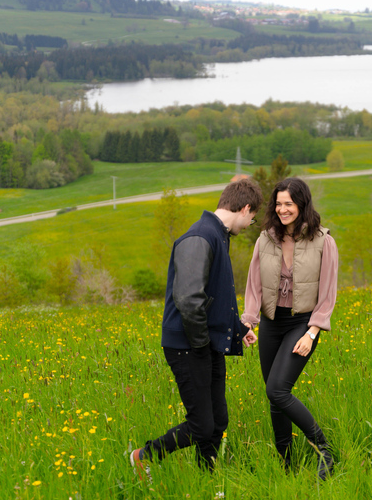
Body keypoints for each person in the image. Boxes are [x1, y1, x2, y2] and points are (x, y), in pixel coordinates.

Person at [130, 178, 264, 478]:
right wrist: (203, 345)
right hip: (188, 346)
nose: (250, 223)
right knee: (201, 423)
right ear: (244, 209)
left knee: (218, 420)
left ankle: (208, 476)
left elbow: (215, 295)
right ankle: (143, 456)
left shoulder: (218, 236)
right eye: (253, 218)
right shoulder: (200, 237)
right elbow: (189, 300)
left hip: (204, 343)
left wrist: (239, 329)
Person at [241, 177, 338, 480]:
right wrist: (249, 320)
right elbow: (254, 285)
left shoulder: (323, 241)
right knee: (274, 398)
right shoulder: (265, 239)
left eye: (289, 204)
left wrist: (312, 333)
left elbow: (328, 293)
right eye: (279, 204)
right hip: (271, 324)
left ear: (302, 204)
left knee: (278, 389)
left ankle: (324, 450)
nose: (283, 209)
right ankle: (286, 464)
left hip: (302, 323)